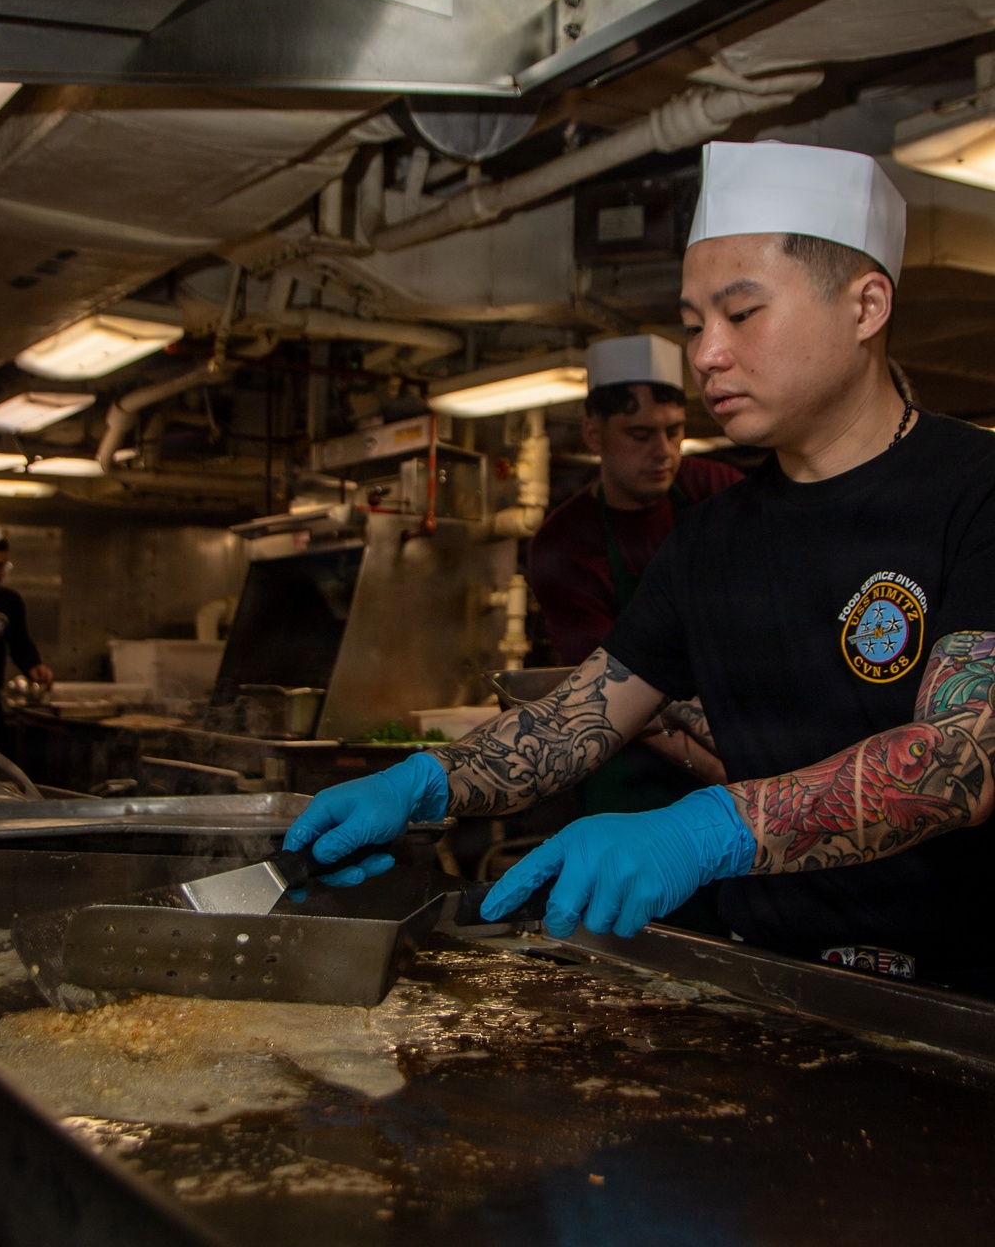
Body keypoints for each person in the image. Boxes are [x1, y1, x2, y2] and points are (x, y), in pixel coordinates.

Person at [285, 139, 995, 996]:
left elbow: (960, 762)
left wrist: (706, 831)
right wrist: (424, 785)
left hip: (959, 996)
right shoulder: (712, 537)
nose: (705, 356)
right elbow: (578, 720)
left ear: (866, 305)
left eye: (743, 314)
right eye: (695, 325)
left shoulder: (975, 493)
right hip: (765, 981)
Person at [528, 333, 740, 804]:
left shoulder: (716, 491)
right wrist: (722, 771)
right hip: (630, 770)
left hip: (732, 730)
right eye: (640, 435)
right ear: (593, 434)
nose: (663, 450)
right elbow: (608, 695)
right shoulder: (563, 546)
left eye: (674, 431)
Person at [0, 528, 52, 756]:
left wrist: (33, 666)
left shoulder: (8, 601)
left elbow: (20, 642)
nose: (0, 573)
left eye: (3, 566)